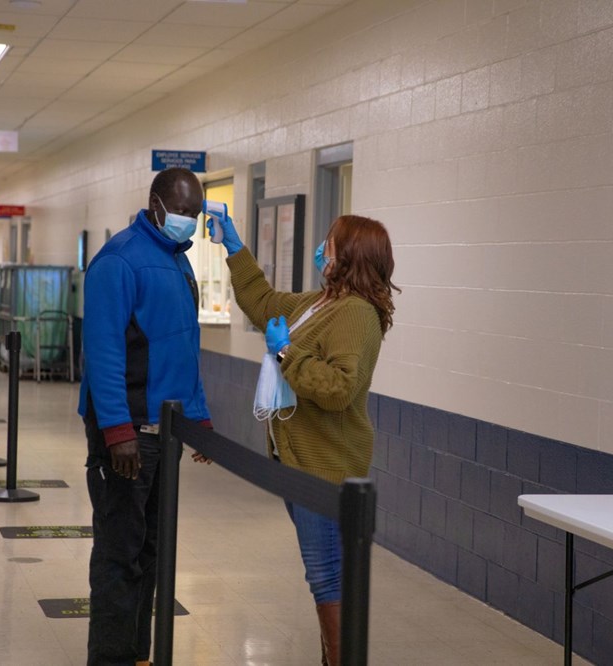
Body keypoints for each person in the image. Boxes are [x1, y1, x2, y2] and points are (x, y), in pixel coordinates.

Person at [210, 211, 399, 665]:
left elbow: (339, 388)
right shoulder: (324, 302)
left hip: (325, 469)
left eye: (330, 243)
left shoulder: (355, 313)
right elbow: (264, 301)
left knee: (327, 577)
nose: (322, 249)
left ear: (350, 255)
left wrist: (285, 352)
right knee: (326, 575)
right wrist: (235, 249)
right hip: (299, 466)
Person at [78, 167, 213, 666]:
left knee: (153, 552)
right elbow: (105, 352)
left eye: (195, 214)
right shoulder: (119, 260)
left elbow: (184, 349)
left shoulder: (179, 263)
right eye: (181, 211)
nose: (188, 221)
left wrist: (197, 419)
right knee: (120, 554)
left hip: (166, 434)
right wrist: (117, 431)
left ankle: (138, 653)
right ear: (155, 203)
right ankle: (110, 658)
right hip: (128, 433)